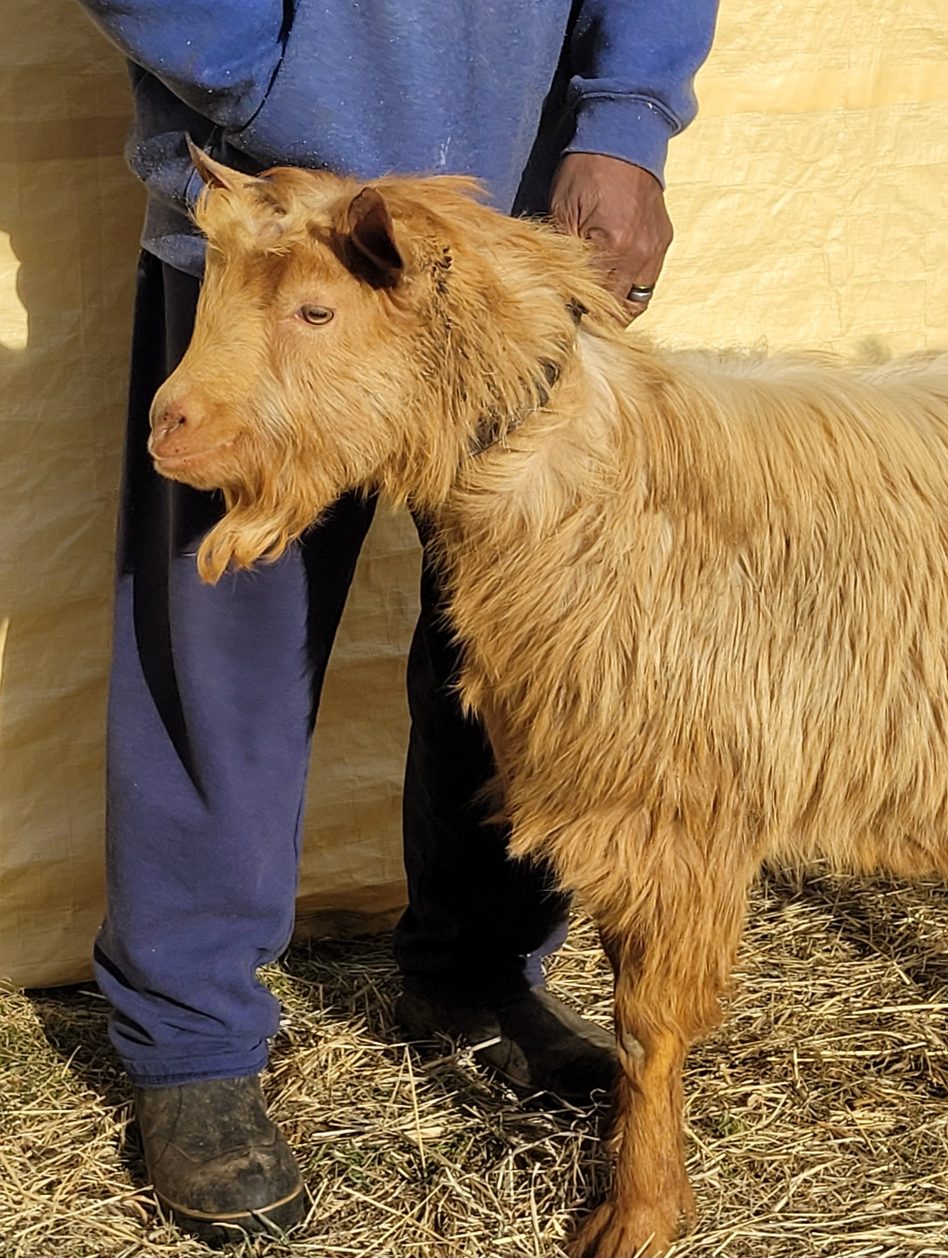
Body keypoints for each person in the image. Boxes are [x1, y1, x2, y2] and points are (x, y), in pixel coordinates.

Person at [75, 1, 718, 1243]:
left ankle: (479, 968)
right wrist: (273, 97)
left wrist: (628, 118)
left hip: (504, 249)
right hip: (277, 233)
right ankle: (191, 1040)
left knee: (526, 644)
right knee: (226, 641)